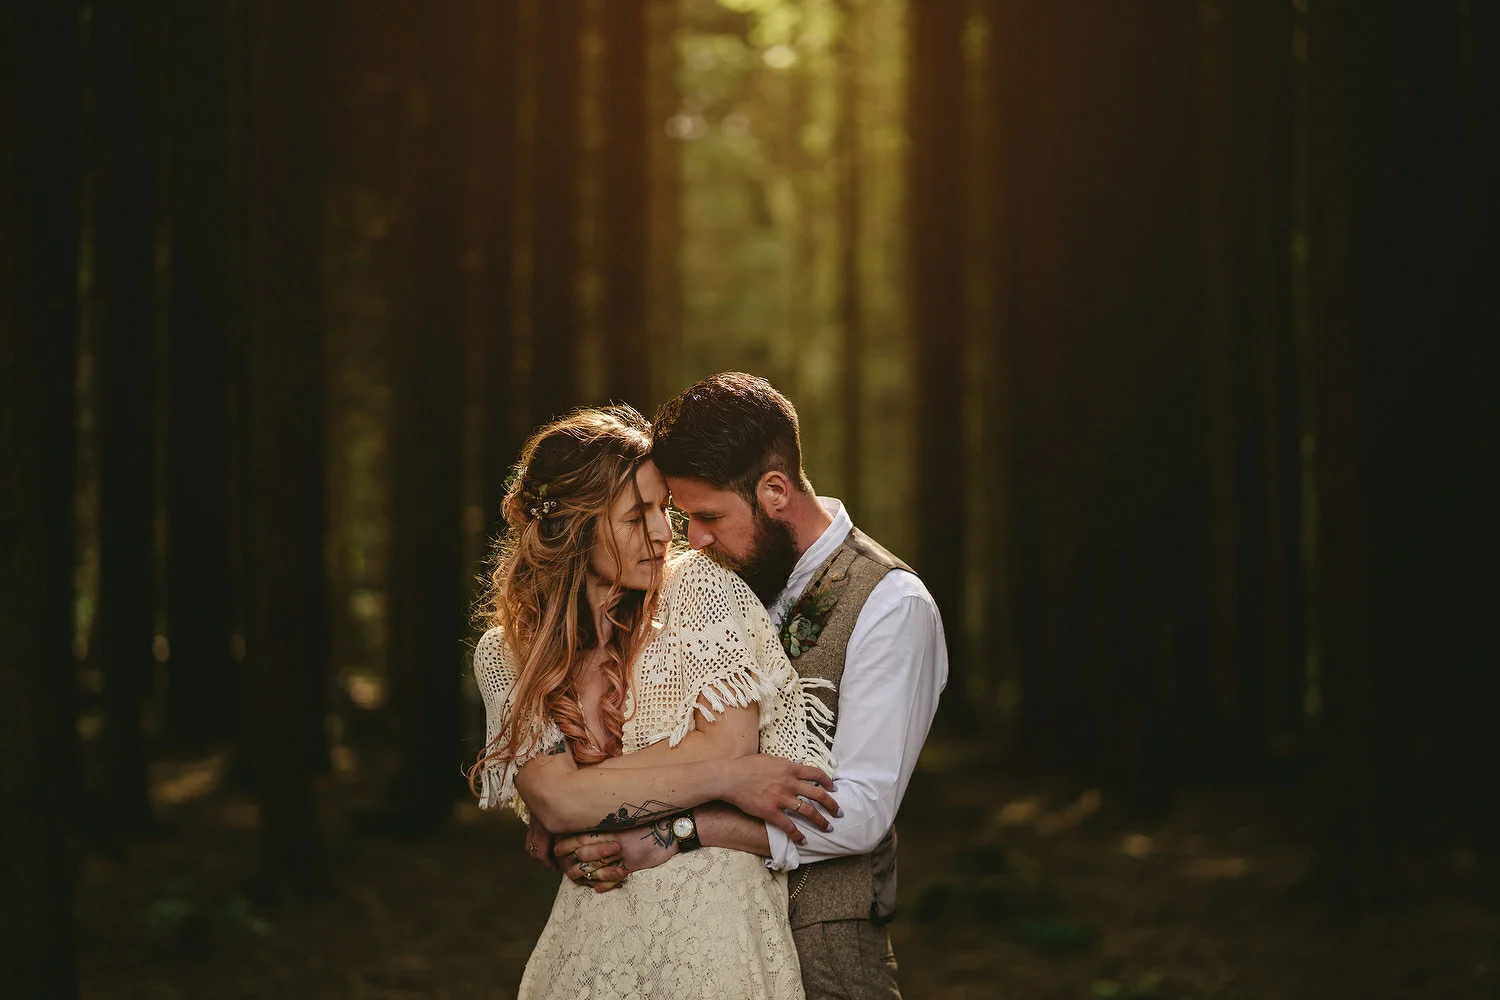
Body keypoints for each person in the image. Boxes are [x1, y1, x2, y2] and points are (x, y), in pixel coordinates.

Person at [553, 373, 948, 999]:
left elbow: (861, 814)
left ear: (774, 490)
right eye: (685, 519)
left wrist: (682, 833)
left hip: (823, 954)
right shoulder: (703, 587)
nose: (695, 542)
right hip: (699, 951)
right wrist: (574, 835)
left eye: (708, 517)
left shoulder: (891, 606)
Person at [470, 404, 843, 1000]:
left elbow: (728, 740)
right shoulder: (505, 654)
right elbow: (560, 800)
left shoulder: (701, 589)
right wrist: (722, 776)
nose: (665, 533)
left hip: (714, 926)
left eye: (662, 508)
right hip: (592, 934)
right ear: (573, 528)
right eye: (635, 516)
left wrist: (587, 799)